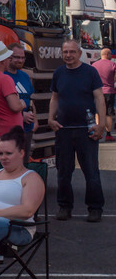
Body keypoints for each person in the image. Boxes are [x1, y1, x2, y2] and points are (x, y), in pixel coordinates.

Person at [48, 39, 105, 223]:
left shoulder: (90, 72)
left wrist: (101, 124)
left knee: (91, 172)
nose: (68, 55)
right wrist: (50, 119)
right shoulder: (58, 73)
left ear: (79, 53)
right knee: (63, 172)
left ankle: (95, 208)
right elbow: (54, 98)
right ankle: (64, 207)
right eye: (65, 52)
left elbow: (99, 98)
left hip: (86, 130)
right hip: (63, 130)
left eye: (72, 52)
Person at [0, 127, 45, 252]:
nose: (3, 157)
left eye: (8, 153)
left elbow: (27, 211)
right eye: (0, 154)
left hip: (17, 228)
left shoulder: (30, 178)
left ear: (21, 153)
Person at [5, 42, 36, 162]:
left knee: (24, 163)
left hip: (27, 130)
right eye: (17, 57)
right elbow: (1, 105)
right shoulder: (4, 77)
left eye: (23, 57)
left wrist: (36, 120)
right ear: (8, 57)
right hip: (11, 131)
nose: (20, 60)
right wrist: (21, 116)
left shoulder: (25, 76)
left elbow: (31, 98)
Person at [91, 47, 116, 142]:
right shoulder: (113, 64)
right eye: (110, 54)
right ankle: (109, 134)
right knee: (108, 113)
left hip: (97, 92)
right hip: (109, 91)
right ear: (107, 54)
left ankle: (99, 133)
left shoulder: (94, 65)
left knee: (98, 112)